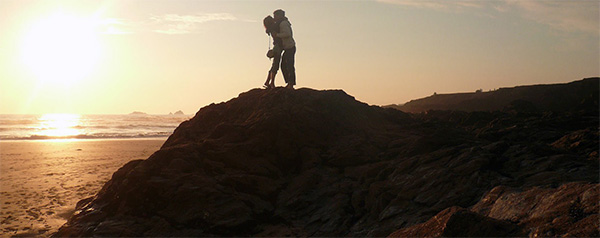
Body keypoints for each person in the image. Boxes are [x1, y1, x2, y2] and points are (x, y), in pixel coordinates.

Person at [272, 9, 296, 89]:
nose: (274, 18)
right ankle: (289, 83)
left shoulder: (283, 24)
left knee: (289, 65)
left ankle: (291, 83)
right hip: (288, 47)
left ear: (280, 16)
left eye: (275, 16)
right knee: (284, 65)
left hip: (290, 47)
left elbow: (287, 34)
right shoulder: (282, 23)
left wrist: (277, 35)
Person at [263, 15, 282, 89]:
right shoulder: (274, 27)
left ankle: (268, 81)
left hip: (276, 47)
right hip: (278, 47)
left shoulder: (270, 29)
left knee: (274, 65)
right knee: (275, 65)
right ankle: (271, 83)